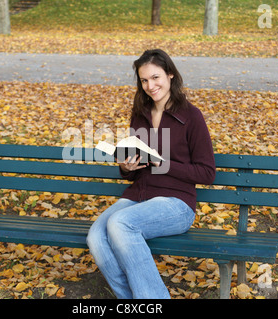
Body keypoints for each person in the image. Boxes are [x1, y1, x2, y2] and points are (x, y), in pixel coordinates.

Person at [86, 49, 216, 299]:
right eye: (144, 80)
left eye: (155, 78)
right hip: (139, 196)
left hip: (176, 203)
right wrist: (126, 167)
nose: (150, 85)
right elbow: (135, 168)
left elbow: (207, 173)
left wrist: (162, 163)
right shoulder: (140, 114)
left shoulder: (191, 116)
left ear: (170, 75)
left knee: (121, 224)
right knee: (95, 236)